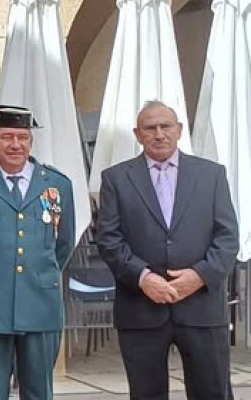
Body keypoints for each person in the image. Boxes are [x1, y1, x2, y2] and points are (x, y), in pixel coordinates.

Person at [95, 100, 238, 400]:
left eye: (166, 126)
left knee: (212, 393)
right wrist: (144, 278)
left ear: (179, 130)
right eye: (150, 128)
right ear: (137, 134)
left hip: (201, 308)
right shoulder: (116, 178)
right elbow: (109, 239)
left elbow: (227, 239)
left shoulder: (211, 175)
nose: (159, 134)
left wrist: (199, 276)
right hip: (141, 309)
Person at [0, 105, 76, 400]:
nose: (15, 144)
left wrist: (38, 274)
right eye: (7, 137)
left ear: (31, 142)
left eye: (22, 137)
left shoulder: (57, 184)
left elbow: (64, 243)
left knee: (38, 390)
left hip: (40, 301)